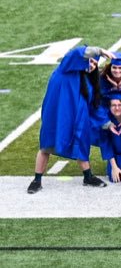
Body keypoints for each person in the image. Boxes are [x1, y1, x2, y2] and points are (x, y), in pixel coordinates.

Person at [30, 46, 112, 193]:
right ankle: (37, 179)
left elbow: (94, 106)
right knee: (46, 146)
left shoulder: (90, 82)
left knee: (80, 144)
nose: (92, 65)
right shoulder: (66, 69)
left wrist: (107, 123)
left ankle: (88, 176)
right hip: (56, 116)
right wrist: (99, 51)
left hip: (77, 119)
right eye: (90, 61)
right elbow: (75, 53)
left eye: (95, 64)